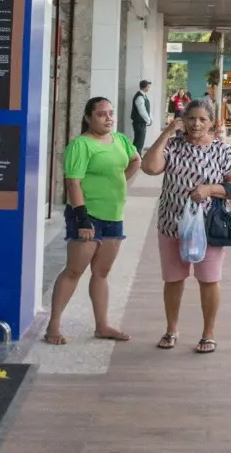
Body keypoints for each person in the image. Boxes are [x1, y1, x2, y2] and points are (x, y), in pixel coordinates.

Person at [142, 100, 231, 354]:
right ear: (183, 121)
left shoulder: (223, 151)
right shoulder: (173, 147)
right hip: (171, 224)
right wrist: (166, 133)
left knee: (209, 280)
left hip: (208, 228)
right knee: (173, 279)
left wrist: (210, 189)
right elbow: (150, 167)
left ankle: (208, 334)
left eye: (202, 119)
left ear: (212, 122)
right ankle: (171, 329)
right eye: (191, 119)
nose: (196, 124)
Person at [44, 96, 140, 345]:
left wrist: (118, 183)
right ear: (88, 117)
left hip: (113, 215)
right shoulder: (81, 145)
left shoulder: (119, 139)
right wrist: (82, 218)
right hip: (87, 215)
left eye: (110, 113)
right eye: (101, 114)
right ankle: (53, 326)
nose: (108, 118)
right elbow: (73, 182)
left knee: (102, 272)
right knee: (75, 270)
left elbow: (135, 160)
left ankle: (102, 325)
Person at [130, 79, 153, 152]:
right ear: (145, 87)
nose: (149, 88)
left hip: (141, 123)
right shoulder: (139, 97)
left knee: (139, 142)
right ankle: (136, 159)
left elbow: (147, 109)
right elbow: (142, 111)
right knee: (139, 143)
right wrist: (148, 120)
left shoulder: (143, 96)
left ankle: (135, 158)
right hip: (139, 123)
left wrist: (150, 119)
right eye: (148, 86)